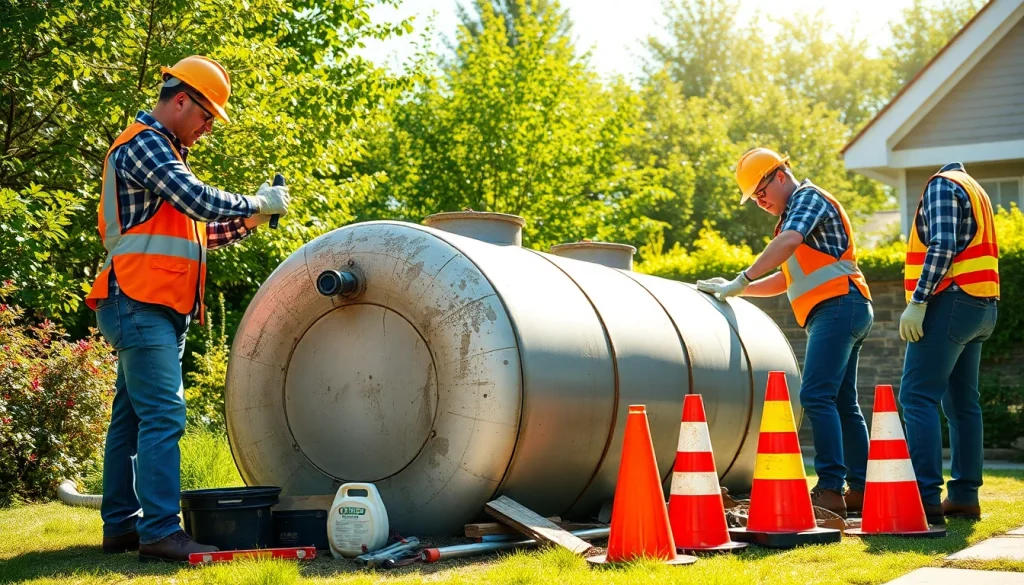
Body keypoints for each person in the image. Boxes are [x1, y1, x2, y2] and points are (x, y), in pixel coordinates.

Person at [85, 55, 291, 562]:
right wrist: (256, 202)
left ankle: (122, 528)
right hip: (138, 301)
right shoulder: (146, 144)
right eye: (205, 116)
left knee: (131, 418)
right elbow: (198, 199)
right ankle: (159, 531)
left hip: (153, 304)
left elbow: (199, 232)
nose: (206, 128)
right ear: (181, 100)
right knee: (164, 414)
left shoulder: (165, 151)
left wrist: (250, 223)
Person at [697, 148, 873, 518]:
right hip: (845, 307)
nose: (759, 201)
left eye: (761, 191)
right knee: (841, 402)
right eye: (754, 198)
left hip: (839, 306)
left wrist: (743, 278)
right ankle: (860, 489)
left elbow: (789, 243)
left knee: (815, 395)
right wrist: (738, 287)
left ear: (780, 175)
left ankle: (829, 488)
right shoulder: (791, 217)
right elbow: (784, 278)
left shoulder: (807, 199)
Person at [898, 162, 998, 525]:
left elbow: (942, 244)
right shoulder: (975, 189)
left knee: (916, 396)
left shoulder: (941, 185)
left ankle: (924, 498)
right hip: (982, 305)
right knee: (962, 404)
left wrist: (918, 301)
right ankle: (964, 497)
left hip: (950, 301)